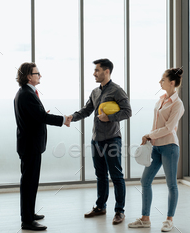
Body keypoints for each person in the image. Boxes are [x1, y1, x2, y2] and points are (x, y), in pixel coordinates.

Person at [65, 58, 132, 225]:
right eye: (94, 70)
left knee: (117, 176)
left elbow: (128, 112)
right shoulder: (95, 92)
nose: (94, 73)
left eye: (97, 70)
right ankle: (100, 207)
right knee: (100, 176)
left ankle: (119, 211)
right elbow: (87, 110)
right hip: (96, 140)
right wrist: (72, 117)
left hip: (112, 140)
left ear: (107, 71)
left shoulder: (117, 90)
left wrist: (109, 118)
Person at [128, 68, 185, 232]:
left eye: (162, 80)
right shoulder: (161, 100)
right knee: (145, 181)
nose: (160, 82)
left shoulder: (177, 104)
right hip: (156, 147)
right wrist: (151, 138)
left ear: (171, 82)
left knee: (171, 184)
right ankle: (145, 219)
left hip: (170, 147)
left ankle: (169, 219)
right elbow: (157, 124)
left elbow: (169, 128)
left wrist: (149, 134)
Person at [14, 62, 67, 231]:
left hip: (29, 144)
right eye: (37, 73)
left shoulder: (26, 92)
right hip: (30, 145)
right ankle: (27, 221)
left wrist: (42, 116)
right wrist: (63, 120)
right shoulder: (27, 94)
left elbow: (35, 116)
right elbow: (40, 116)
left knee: (30, 182)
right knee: (29, 183)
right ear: (29, 76)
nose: (40, 76)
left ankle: (29, 213)